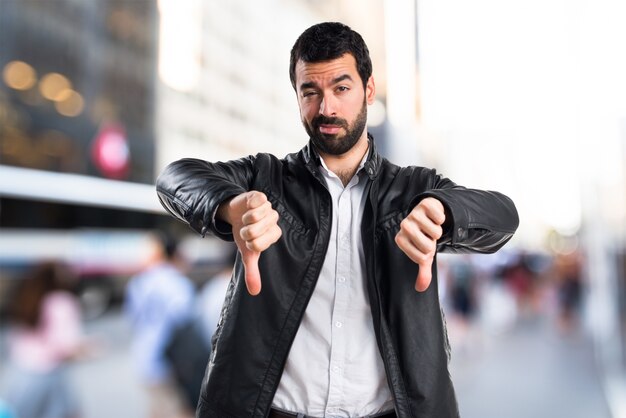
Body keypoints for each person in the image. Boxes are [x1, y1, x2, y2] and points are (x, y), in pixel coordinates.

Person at [156, 22, 519, 418]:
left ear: (368, 90)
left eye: (341, 89)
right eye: (310, 92)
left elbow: (504, 216)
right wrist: (228, 205)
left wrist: (446, 212)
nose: (326, 107)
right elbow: (174, 178)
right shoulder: (265, 179)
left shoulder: (414, 189)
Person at [124, 233, 197, 418]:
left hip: (144, 356)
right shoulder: (178, 283)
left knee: (157, 409)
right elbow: (184, 323)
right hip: (170, 362)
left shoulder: (138, 282)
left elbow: (132, 318)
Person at [3, 261, 88, 418]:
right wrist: (89, 349)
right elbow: (67, 346)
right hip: (49, 375)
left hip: (22, 373)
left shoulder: (26, 297)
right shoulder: (61, 301)